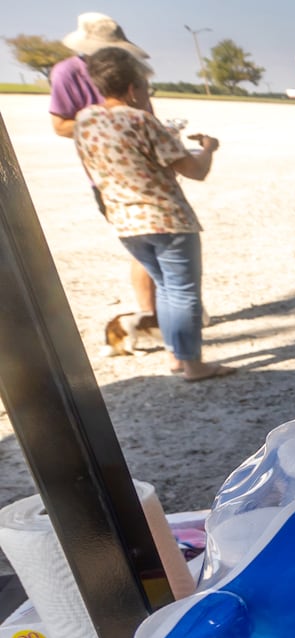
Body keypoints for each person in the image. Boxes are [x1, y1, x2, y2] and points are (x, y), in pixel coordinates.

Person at [73, 47, 232, 380]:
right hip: (165, 217)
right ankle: (194, 365)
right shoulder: (141, 120)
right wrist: (207, 148)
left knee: (164, 287)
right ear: (133, 88)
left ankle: (176, 356)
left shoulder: (85, 120)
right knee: (184, 291)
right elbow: (195, 170)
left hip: (125, 221)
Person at [50, 12, 157, 323]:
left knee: (167, 245)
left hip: (148, 170)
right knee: (144, 246)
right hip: (110, 178)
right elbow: (60, 125)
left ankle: (169, 311)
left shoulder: (129, 69)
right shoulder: (66, 73)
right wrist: (109, 122)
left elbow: (146, 113)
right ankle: (150, 314)